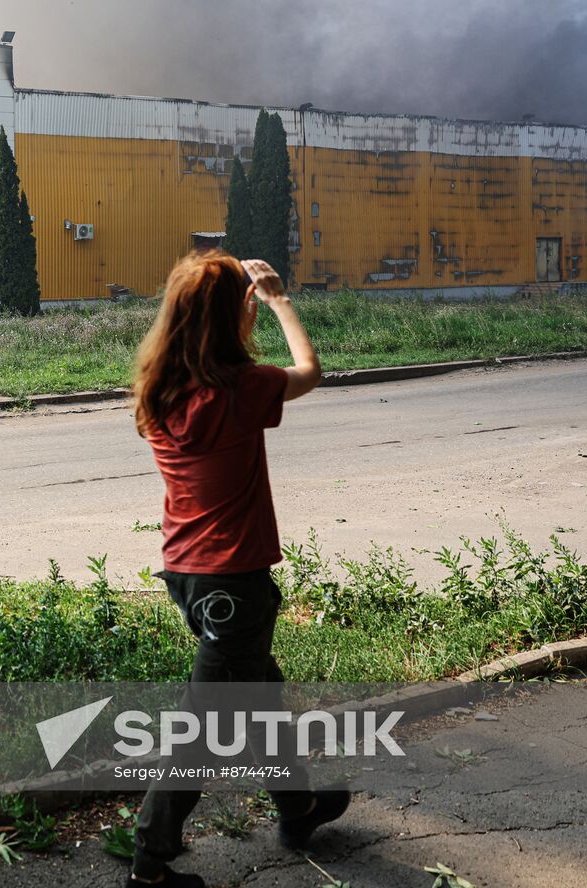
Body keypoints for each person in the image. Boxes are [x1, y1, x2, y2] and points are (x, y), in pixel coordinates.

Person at [125, 251, 349, 888]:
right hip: (232, 583)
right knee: (202, 725)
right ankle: (150, 860)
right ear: (229, 320)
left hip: (187, 574)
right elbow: (311, 370)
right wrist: (278, 301)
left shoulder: (158, 387)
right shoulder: (238, 390)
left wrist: (236, 303)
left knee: (260, 697)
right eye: (242, 307)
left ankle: (298, 807)